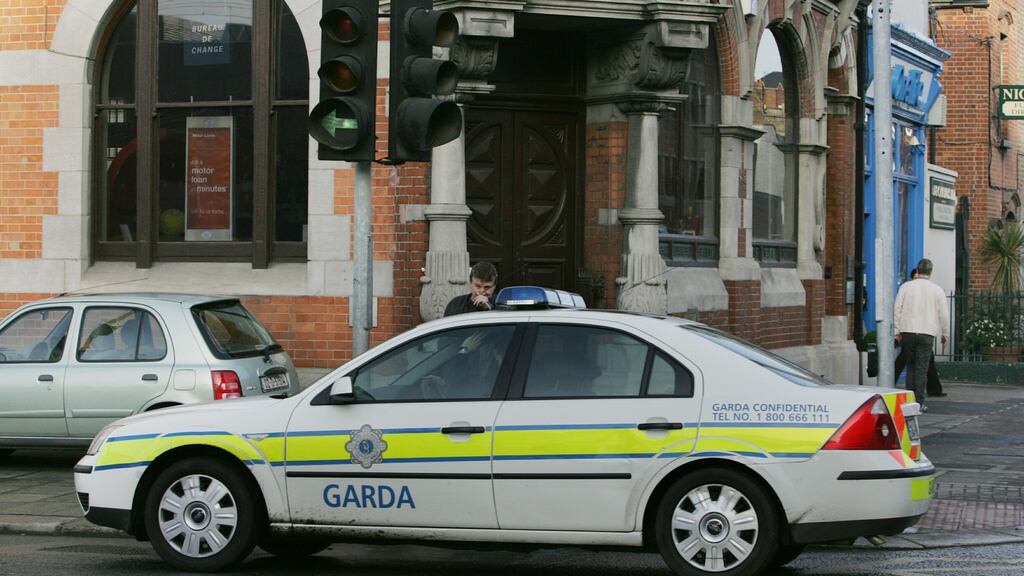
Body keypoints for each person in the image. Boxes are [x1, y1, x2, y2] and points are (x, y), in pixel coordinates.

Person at [894, 258, 949, 411]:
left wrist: (896, 331)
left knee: (910, 366)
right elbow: (943, 314)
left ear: (917, 270)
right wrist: (945, 333)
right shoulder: (937, 290)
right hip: (926, 332)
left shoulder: (906, 287)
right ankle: (919, 402)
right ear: (930, 272)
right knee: (921, 368)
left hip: (908, 331)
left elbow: (897, 308)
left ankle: (909, 400)